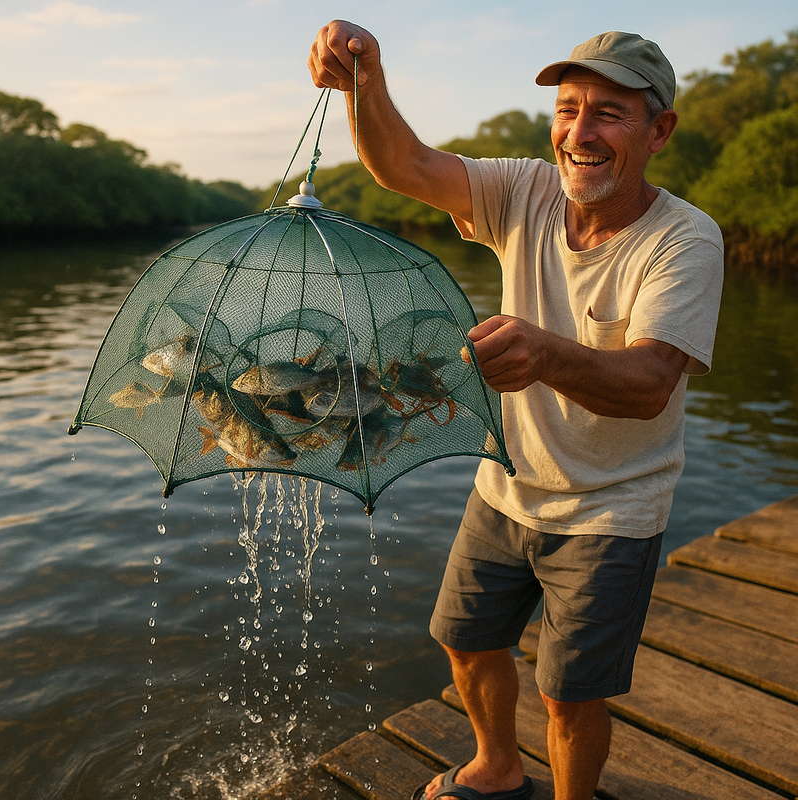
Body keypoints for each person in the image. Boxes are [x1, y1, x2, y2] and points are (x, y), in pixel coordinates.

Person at [309, 22, 723, 800]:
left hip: (612, 507)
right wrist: (364, 79)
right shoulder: (526, 189)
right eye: (568, 109)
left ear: (658, 130)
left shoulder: (686, 240)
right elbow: (404, 164)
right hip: (504, 485)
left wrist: (545, 353)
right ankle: (498, 767)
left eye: (609, 112)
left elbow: (648, 384)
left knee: (570, 695)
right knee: (464, 642)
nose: (580, 132)